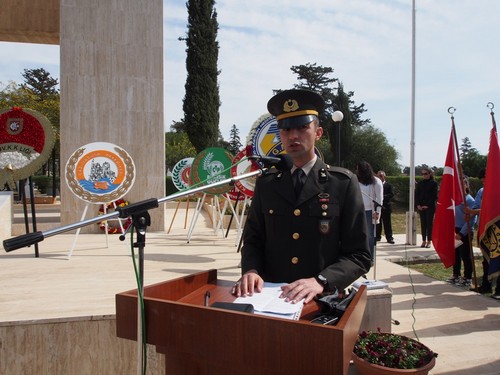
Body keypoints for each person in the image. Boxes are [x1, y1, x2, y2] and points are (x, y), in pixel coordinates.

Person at [233, 89, 371, 304]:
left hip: (320, 300)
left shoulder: (341, 183)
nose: (293, 135)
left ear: (318, 133)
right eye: (286, 129)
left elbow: (360, 255)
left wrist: (321, 281)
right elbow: (253, 240)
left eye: (302, 127)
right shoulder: (267, 183)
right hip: (270, 298)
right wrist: (251, 270)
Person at [465, 169, 499, 297]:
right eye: (482, 181)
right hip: (485, 230)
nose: (484, 183)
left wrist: (474, 211)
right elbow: (476, 207)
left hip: (497, 230)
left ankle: (499, 290)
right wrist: (471, 212)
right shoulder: (481, 191)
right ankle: (486, 285)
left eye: (486, 180)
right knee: (486, 259)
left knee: (498, 258)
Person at [445, 176, 477, 287]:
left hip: (465, 231)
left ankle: (468, 277)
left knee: (465, 255)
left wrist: (461, 233)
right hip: (455, 229)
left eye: (463, 183)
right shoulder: (455, 198)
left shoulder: (469, 200)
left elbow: (472, 219)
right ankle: (456, 275)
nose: (461, 185)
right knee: (455, 254)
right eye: (459, 183)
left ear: (467, 185)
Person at [355, 161, 383, 262]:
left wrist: (377, 212)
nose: (357, 171)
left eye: (358, 169)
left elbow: (379, 199)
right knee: (358, 234)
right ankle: (359, 256)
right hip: (357, 210)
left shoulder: (375, 181)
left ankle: (370, 258)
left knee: (370, 235)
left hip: (370, 211)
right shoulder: (355, 180)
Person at [415, 167, 438, 248]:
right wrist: (418, 205)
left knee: (429, 224)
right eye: (422, 174)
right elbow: (417, 194)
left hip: (430, 207)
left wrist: (427, 205)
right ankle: (423, 240)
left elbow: (434, 196)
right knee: (423, 224)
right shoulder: (420, 183)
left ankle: (429, 241)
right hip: (421, 206)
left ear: (430, 174)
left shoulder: (433, 183)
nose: (424, 175)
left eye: (426, 174)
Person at [375, 170, 395, 244]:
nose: (379, 177)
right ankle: (377, 237)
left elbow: (391, 194)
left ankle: (389, 237)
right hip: (378, 207)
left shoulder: (388, 185)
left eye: (381, 176)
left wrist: (382, 197)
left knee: (387, 223)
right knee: (377, 223)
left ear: (384, 176)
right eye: (378, 176)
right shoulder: (375, 185)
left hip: (386, 207)